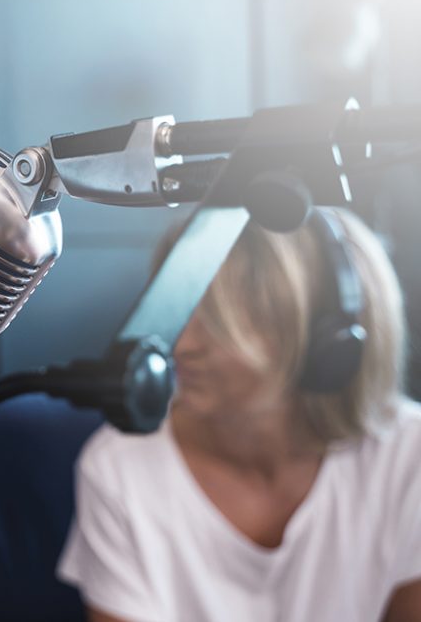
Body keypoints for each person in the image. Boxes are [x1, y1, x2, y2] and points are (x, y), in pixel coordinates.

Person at [57, 208, 421, 621]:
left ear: (325, 343)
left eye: (218, 322)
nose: (180, 346)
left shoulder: (409, 458)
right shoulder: (119, 465)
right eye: (181, 310)